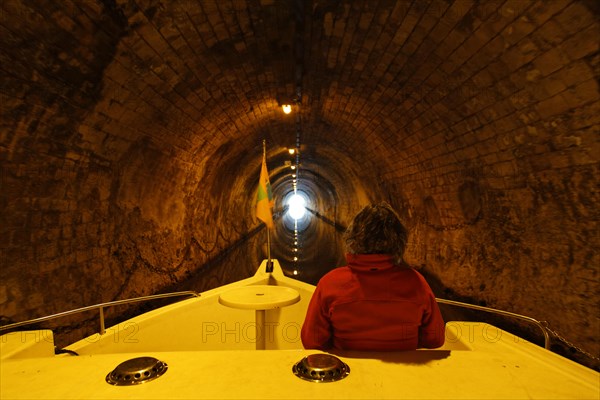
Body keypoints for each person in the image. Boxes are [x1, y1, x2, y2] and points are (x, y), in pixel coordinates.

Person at [301, 202, 445, 351]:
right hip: (403, 373)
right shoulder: (416, 283)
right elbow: (435, 340)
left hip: (351, 372)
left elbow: (311, 342)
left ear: (353, 237)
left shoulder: (330, 283)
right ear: (399, 241)